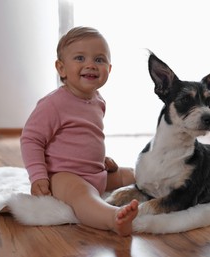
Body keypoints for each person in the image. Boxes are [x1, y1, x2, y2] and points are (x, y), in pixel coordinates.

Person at [20, 26, 138, 236]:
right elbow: (31, 139)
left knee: (131, 174)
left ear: (109, 69)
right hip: (64, 175)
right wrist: (38, 176)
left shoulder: (98, 101)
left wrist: (103, 159)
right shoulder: (53, 104)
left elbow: (86, 138)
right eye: (80, 58)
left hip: (95, 172)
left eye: (99, 60)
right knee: (82, 196)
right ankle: (112, 218)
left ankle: (163, 180)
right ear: (62, 68)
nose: (91, 65)